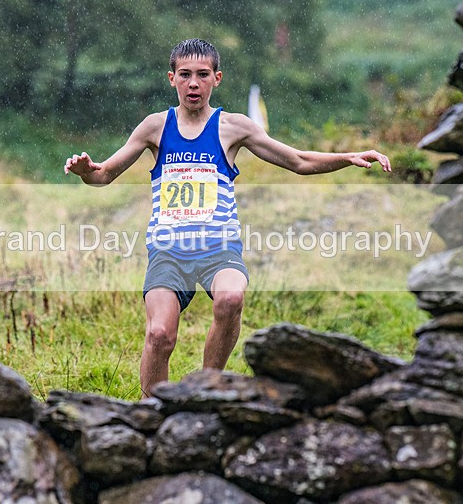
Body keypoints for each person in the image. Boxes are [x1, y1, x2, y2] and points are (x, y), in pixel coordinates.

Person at [64, 38, 391, 398]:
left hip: (219, 248)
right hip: (169, 252)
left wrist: (348, 157)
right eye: (185, 75)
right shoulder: (154, 128)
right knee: (160, 335)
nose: (193, 83)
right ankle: (153, 410)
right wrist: (85, 171)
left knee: (231, 298)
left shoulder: (234, 128)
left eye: (202, 75)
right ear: (171, 78)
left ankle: (207, 388)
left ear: (216, 78)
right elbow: (104, 174)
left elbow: (298, 161)